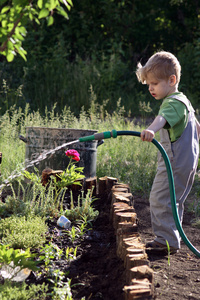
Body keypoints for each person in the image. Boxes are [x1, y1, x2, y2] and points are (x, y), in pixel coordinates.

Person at [136, 51, 200, 254]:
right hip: (188, 162)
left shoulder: (172, 103)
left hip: (174, 163)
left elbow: (162, 119)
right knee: (174, 200)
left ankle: (166, 240)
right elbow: (197, 128)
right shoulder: (185, 102)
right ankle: (172, 236)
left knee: (159, 198)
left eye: (154, 83)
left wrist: (151, 130)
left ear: (172, 80)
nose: (150, 88)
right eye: (148, 84)